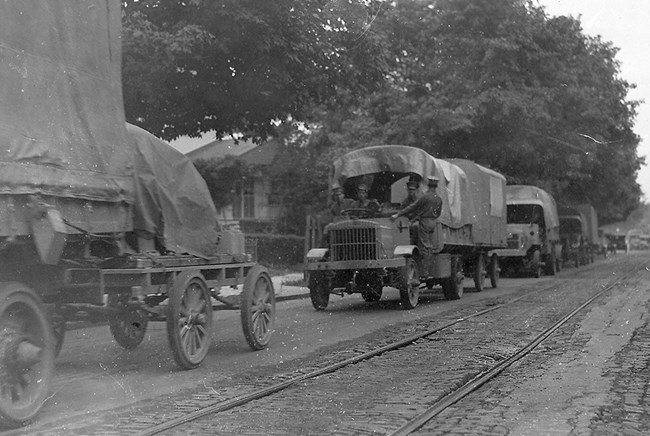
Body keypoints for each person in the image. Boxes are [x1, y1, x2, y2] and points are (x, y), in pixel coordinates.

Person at [391, 176, 443, 276]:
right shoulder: (438, 198)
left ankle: (424, 270)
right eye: (409, 190)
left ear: (428, 185)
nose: (411, 192)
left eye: (413, 190)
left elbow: (413, 207)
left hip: (424, 221)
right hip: (433, 222)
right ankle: (425, 267)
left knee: (424, 246)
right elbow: (439, 212)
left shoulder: (425, 197)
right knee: (427, 245)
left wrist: (398, 215)